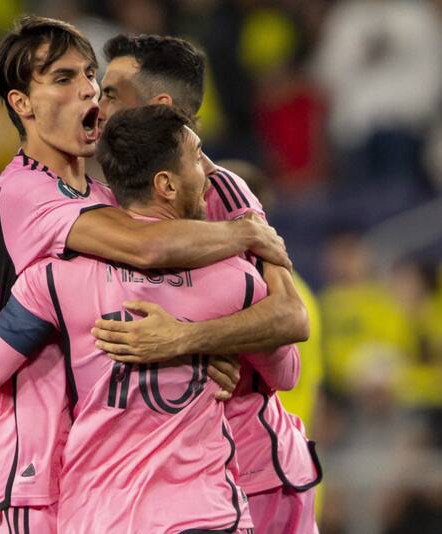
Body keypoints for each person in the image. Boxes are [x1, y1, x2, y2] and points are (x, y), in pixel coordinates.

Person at [0, 17, 308, 532]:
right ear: (22, 104)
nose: (90, 94)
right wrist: (247, 234)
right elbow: (145, 246)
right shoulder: (20, 192)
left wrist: (198, 346)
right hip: (30, 469)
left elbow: (283, 324)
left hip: (109, 474)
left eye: (91, 76)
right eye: (64, 79)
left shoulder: (114, 198)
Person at [92, 34, 321, 533]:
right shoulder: (94, 197)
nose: (96, 104)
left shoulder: (221, 191)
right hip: (162, 478)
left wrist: (186, 339)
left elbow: (289, 321)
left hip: (252, 466)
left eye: (111, 94)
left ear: (159, 108)